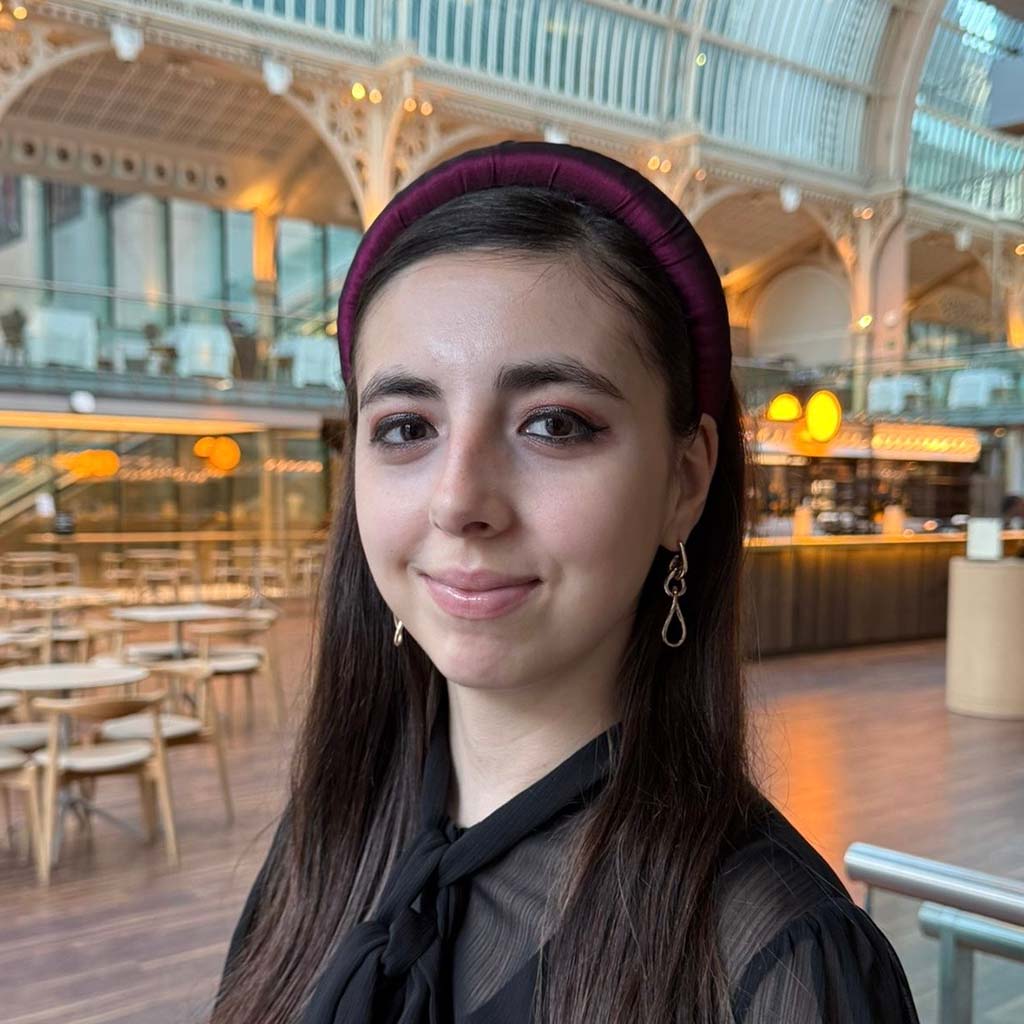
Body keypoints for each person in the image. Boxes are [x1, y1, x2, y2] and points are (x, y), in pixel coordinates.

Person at [212, 142, 920, 1023]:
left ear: (685, 480)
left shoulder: (777, 962)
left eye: (553, 424)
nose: (459, 501)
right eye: (405, 428)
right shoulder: (328, 841)